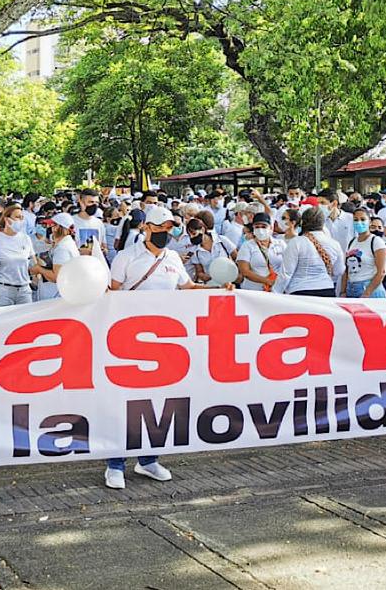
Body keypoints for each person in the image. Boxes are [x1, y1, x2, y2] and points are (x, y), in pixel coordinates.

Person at [104, 205, 197, 490]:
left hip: (164, 342)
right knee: (125, 403)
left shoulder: (173, 258)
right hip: (127, 342)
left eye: (170, 228)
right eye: (160, 227)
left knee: (158, 403)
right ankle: (115, 464)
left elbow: (189, 288)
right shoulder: (126, 257)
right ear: (146, 228)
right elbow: (111, 294)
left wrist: (223, 290)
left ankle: (147, 460)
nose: (165, 233)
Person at [279, 207, 345, 297]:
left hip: (300, 290)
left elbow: (286, 273)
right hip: (326, 289)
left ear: (303, 222)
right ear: (322, 223)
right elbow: (339, 271)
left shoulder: (296, 242)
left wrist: (275, 293)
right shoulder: (334, 244)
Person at [0, 204, 35, 307]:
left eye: (22, 217)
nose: (21, 220)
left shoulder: (26, 239)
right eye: (17, 217)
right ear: (7, 219)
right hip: (3, 291)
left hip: (24, 291)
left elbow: (33, 263)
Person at [342, 206, 386, 298]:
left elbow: (382, 271)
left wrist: (367, 293)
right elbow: (346, 270)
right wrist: (343, 291)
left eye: (363, 219)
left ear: (369, 222)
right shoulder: (352, 242)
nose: (359, 222)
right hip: (351, 289)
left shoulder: (376, 241)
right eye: (356, 220)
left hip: (370, 289)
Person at [34, 212, 81, 301]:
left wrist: (39, 269)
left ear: (57, 227)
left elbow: (57, 277)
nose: (51, 229)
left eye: (52, 226)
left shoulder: (62, 248)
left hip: (54, 296)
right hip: (57, 294)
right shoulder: (66, 244)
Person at [236, 212, 284, 291]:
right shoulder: (247, 246)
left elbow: (288, 265)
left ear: (271, 228)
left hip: (276, 289)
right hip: (253, 290)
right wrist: (267, 281)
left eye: (264, 226)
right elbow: (245, 271)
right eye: (257, 227)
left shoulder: (280, 244)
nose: (260, 230)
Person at [181, 217, 237, 283]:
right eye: (189, 235)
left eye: (194, 233)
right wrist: (208, 277)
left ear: (202, 229)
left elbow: (236, 257)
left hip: (229, 280)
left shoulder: (222, 240)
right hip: (212, 283)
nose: (192, 237)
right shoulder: (194, 251)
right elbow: (199, 272)